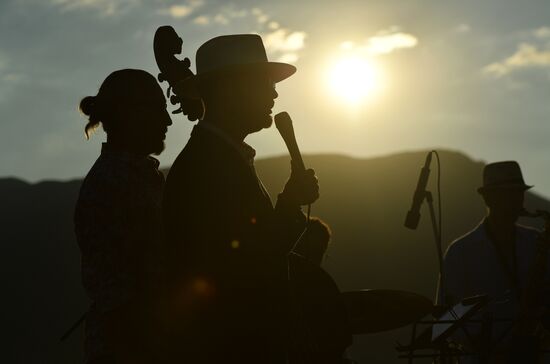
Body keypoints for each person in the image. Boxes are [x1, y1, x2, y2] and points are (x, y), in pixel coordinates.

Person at [162, 34, 321, 364]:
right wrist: (290, 203)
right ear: (231, 89)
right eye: (264, 82)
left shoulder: (219, 157)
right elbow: (248, 262)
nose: (274, 92)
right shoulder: (208, 164)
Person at [74, 69, 172, 364]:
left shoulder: (132, 178)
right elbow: (124, 298)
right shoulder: (112, 184)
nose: (168, 121)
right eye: (159, 110)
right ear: (132, 115)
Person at [439, 161, 550, 363]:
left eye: (519, 193)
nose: (517, 201)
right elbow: (447, 320)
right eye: (508, 194)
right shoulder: (461, 252)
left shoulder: (537, 243)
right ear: (488, 198)